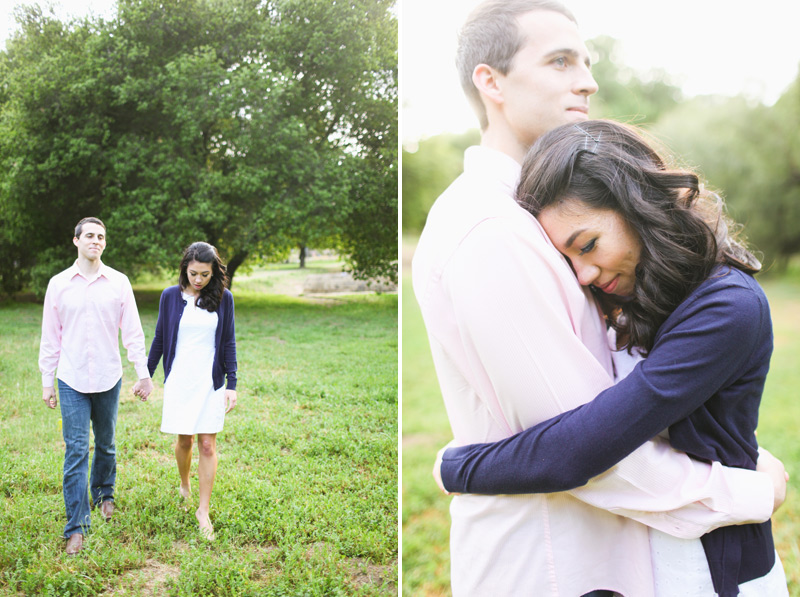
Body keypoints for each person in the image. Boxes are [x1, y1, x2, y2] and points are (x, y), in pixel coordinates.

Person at [410, 1, 787, 595]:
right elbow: (591, 452)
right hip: (553, 562)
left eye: (586, 61)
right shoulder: (492, 230)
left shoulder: (547, 220)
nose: (587, 81)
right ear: (491, 81)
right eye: (560, 61)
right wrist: (750, 486)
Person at [39, 217, 154, 556]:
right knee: (76, 450)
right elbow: (50, 337)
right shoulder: (58, 284)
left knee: (106, 443)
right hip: (71, 379)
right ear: (76, 240)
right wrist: (47, 381)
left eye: (101, 236)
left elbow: (132, 332)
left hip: (108, 377)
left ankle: (105, 495)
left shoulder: (119, 282)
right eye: (89, 235)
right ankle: (76, 525)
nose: (96, 241)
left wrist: (143, 373)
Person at [147, 242, 238, 541]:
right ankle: (184, 483)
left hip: (210, 380)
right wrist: (146, 375)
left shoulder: (224, 299)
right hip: (180, 379)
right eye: (193, 273)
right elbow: (160, 337)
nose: (198, 280)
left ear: (215, 273)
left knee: (208, 444)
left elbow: (228, 343)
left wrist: (232, 384)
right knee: (184, 439)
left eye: (205, 275)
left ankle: (203, 510)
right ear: (185, 268)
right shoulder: (170, 297)